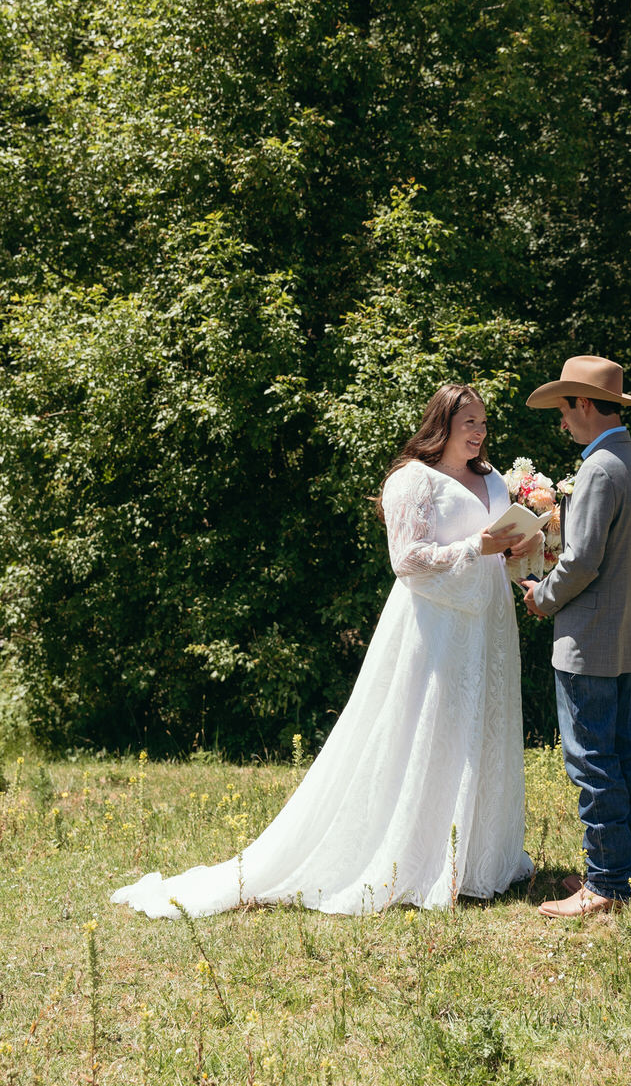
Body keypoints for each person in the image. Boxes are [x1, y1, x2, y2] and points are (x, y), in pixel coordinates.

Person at [111, 385, 537, 918]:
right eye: (468, 421)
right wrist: (479, 545)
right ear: (442, 423)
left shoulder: (493, 479)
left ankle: (477, 860)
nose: (478, 431)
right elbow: (406, 560)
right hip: (435, 627)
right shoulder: (411, 479)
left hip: (488, 626)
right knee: (426, 731)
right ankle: (416, 857)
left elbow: (505, 550)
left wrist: (525, 545)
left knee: (479, 731)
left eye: (483, 422)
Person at [521, 355, 631, 918]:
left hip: (588, 639)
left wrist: (540, 597)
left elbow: (581, 562)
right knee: (619, 757)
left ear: (582, 403)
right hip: (624, 634)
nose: (561, 421)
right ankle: (625, 879)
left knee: (592, 762)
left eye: (563, 408)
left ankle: (604, 886)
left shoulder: (601, 467)